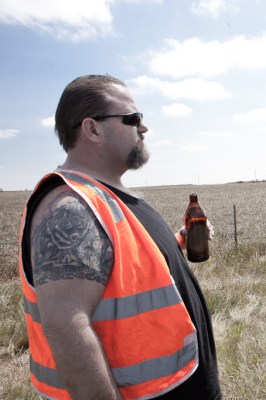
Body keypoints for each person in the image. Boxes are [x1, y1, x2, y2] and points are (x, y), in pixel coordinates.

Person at [18, 75, 222, 399]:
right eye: (133, 118)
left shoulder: (109, 195)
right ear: (92, 129)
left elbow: (123, 264)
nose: (144, 128)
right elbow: (66, 326)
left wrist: (179, 241)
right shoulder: (70, 206)